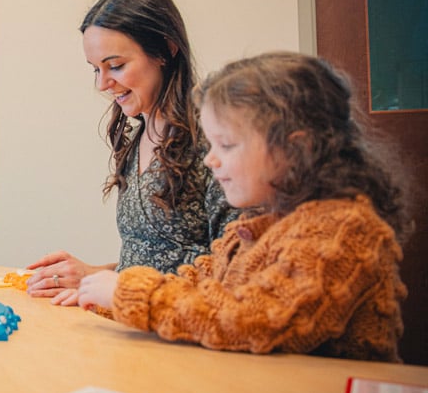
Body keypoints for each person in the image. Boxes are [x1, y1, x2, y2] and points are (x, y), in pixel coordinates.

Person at [77, 52, 410, 362]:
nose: (211, 159)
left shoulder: (344, 230)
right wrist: (108, 299)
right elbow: (206, 286)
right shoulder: (258, 225)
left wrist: (134, 295)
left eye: (227, 144)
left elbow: (254, 319)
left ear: (297, 149)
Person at [27, 0, 235, 305]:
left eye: (116, 66)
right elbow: (152, 262)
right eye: (95, 69)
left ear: (166, 48)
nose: (102, 84)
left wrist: (119, 288)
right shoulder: (137, 136)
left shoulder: (214, 139)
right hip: (140, 330)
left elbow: (237, 274)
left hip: (190, 339)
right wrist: (94, 275)